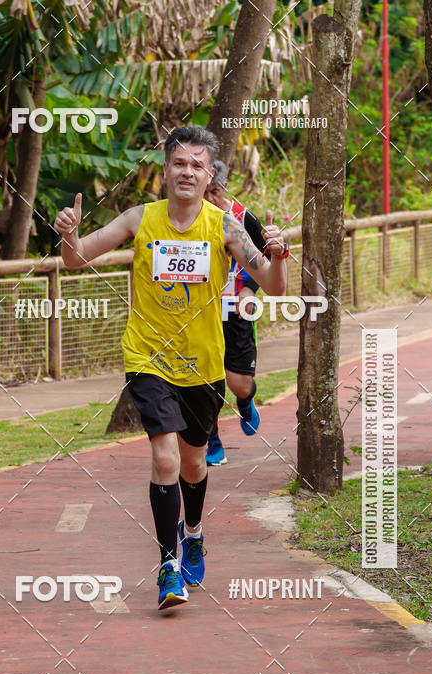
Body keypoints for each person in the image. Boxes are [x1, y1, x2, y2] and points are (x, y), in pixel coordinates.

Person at [54, 126, 287, 611]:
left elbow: (275, 284)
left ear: (209, 176)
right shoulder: (140, 219)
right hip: (148, 359)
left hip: (203, 364)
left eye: (197, 165)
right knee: (164, 459)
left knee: (193, 463)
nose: (187, 172)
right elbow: (76, 260)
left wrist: (280, 257)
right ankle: (168, 566)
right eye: (179, 163)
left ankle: (194, 533)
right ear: (165, 169)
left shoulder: (226, 227)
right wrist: (70, 235)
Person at [203, 160, 289, 466]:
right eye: (205, 191)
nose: (209, 198)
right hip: (201, 312)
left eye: (214, 192)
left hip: (237, 309)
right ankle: (212, 441)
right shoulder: (191, 216)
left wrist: (248, 288)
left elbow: (266, 254)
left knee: (237, 382)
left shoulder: (241, 216)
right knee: (206, 380)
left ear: (224, 187)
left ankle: (245, 400)